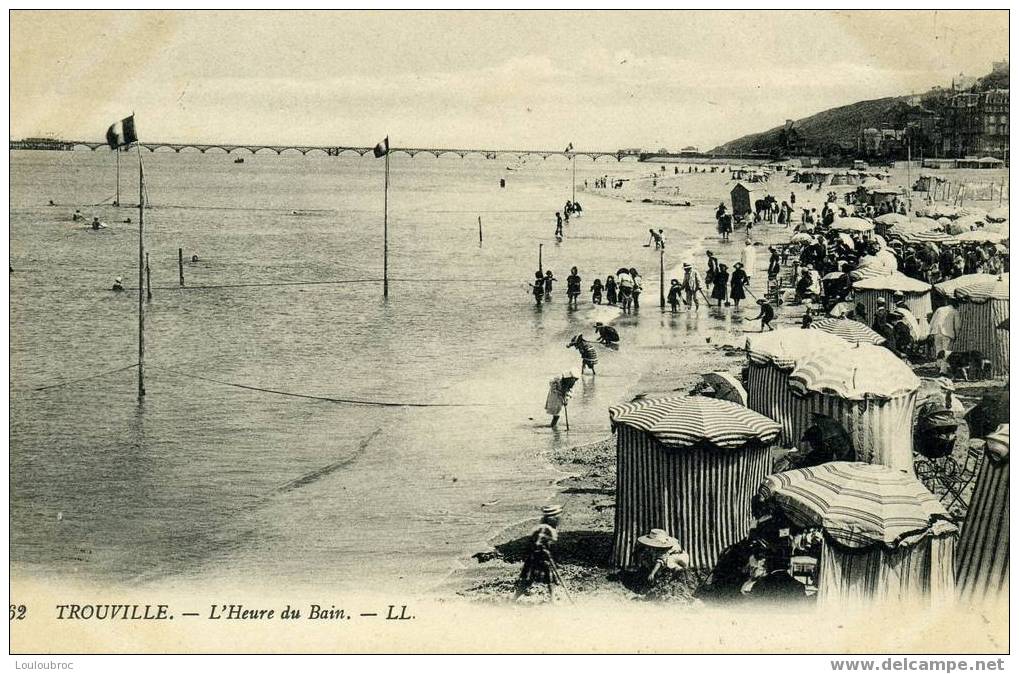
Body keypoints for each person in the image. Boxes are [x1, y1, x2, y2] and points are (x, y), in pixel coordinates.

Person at [514, 504, 564, 600]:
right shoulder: (545, 529)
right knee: (528, 580)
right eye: (558, 518)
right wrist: (545, 552)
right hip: (538, 558)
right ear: (552, 519)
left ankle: (552, 599)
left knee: (550, 579)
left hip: (542, 558)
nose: (559, 520)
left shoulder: (547, 528)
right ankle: (513, 599)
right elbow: (537, 543)